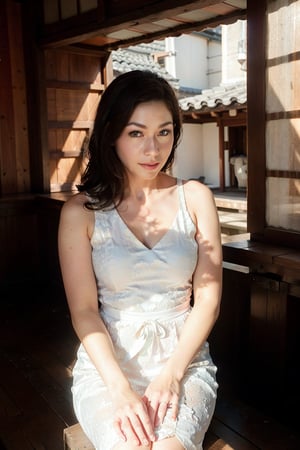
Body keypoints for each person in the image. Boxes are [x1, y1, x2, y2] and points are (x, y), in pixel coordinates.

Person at [58, 69, 223, 450]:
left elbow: (209, 299)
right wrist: (119, 390)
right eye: (137, 133)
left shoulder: (196, 198)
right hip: (109, 369)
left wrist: (172, 375)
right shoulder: (80, 213)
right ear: (111, 134)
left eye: (164, 132)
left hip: (184, 363)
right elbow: (84, 311)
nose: (153, 149)